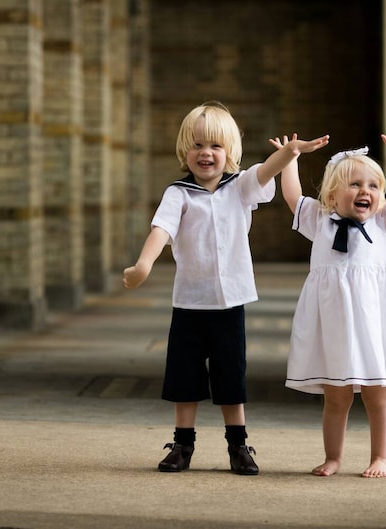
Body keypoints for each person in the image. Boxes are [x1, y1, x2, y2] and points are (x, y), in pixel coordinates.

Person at [124, 101, 329, 475]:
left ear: (230, 153)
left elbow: (266, 171)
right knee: (185, 375)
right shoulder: (179, 193)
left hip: (231, 302)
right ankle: (182, 444)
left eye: (216, 146)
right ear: (185, 150)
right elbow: (162, 230)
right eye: (198, 145)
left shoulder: (241, 188)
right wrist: (144, 264)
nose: (206, 153)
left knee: (230, 373)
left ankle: (238, 444)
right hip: (189, 302)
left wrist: (289, 152)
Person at [269, 120, 386, 478]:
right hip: (335, 322)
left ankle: (381, 457)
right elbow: (293, 197)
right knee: (336, 396)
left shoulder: (385, 221)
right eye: (355, 184)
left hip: (375, 321)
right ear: (331, 196)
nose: (366, 191)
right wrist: (290, 159)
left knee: (378, 394)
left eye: (373, 185)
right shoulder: (320, 220)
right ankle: (334, 457)